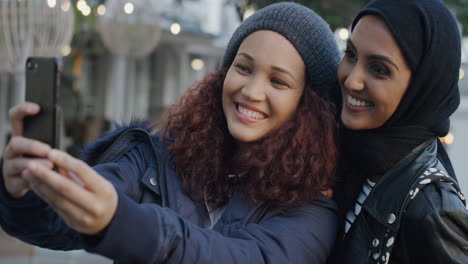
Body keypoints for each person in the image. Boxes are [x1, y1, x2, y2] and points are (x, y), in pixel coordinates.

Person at [0, 2, 341, 263]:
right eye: (243, 67)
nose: (251, 91)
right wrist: (26, 191)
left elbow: (239, 257)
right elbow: (52, 224)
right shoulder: (153, 157)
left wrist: (120, 220)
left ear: (309, 106)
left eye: (278, 81)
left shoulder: (312, 211)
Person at [328, 0, 468, 263]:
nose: (351, 79)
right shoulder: (348, 155)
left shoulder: (433, 211)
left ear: (422, 88)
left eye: (379, 69)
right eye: (351, 54)